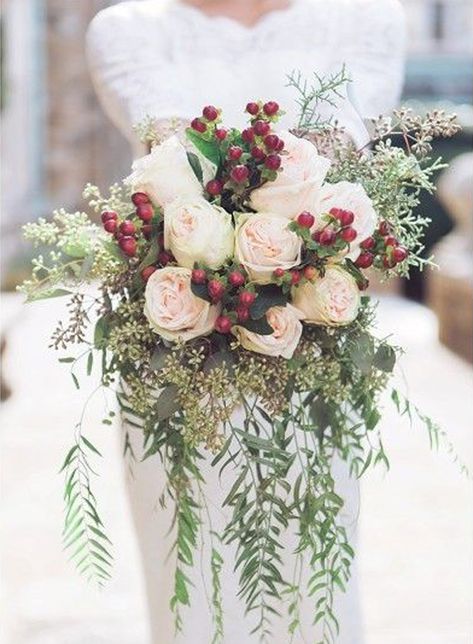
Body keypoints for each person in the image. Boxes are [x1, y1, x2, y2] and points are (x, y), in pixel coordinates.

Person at [86, 1, 406, 642]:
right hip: (174, 344)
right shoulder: (126, 28)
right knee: (187, 574)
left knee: (316, 573)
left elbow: (336, 152)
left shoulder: (369, 19)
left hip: (311, 349)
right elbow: (171, 148)